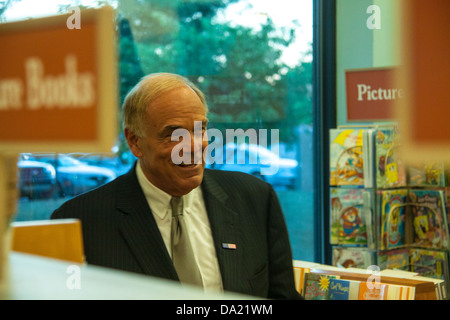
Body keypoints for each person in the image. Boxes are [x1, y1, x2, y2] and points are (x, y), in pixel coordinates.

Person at [51, 73, 302, 299]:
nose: (192, 147)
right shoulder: (80, 222)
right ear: (135, 141)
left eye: (200, 129)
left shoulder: (255, 198)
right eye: (174, 134)